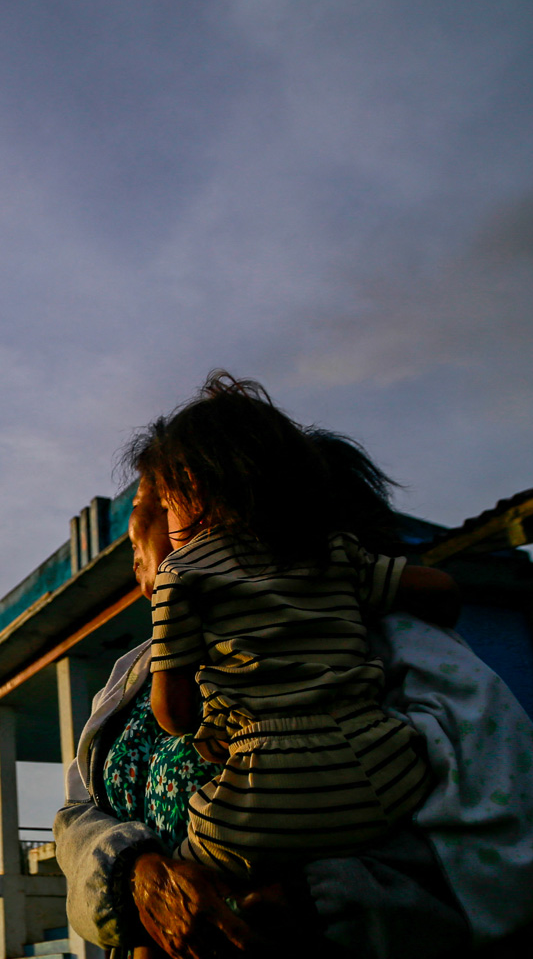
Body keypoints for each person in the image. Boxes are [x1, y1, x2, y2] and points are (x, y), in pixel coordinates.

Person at [55, 436, 533, 959]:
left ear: (198, 515)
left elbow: (520, 845)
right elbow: (79, 815)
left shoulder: (384, 643)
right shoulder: (134, 673)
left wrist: (323, 900)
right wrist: (134, 874)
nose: (137, 561)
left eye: (147, 517)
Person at [127, 372, 458, 878]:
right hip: (384, 775)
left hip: (265, 791)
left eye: (165, 504)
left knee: (185, 879)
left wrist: (206, 725)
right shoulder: (335, 553)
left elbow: (171, 711)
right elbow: (440, 589)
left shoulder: (184, 574)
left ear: (191, 490)